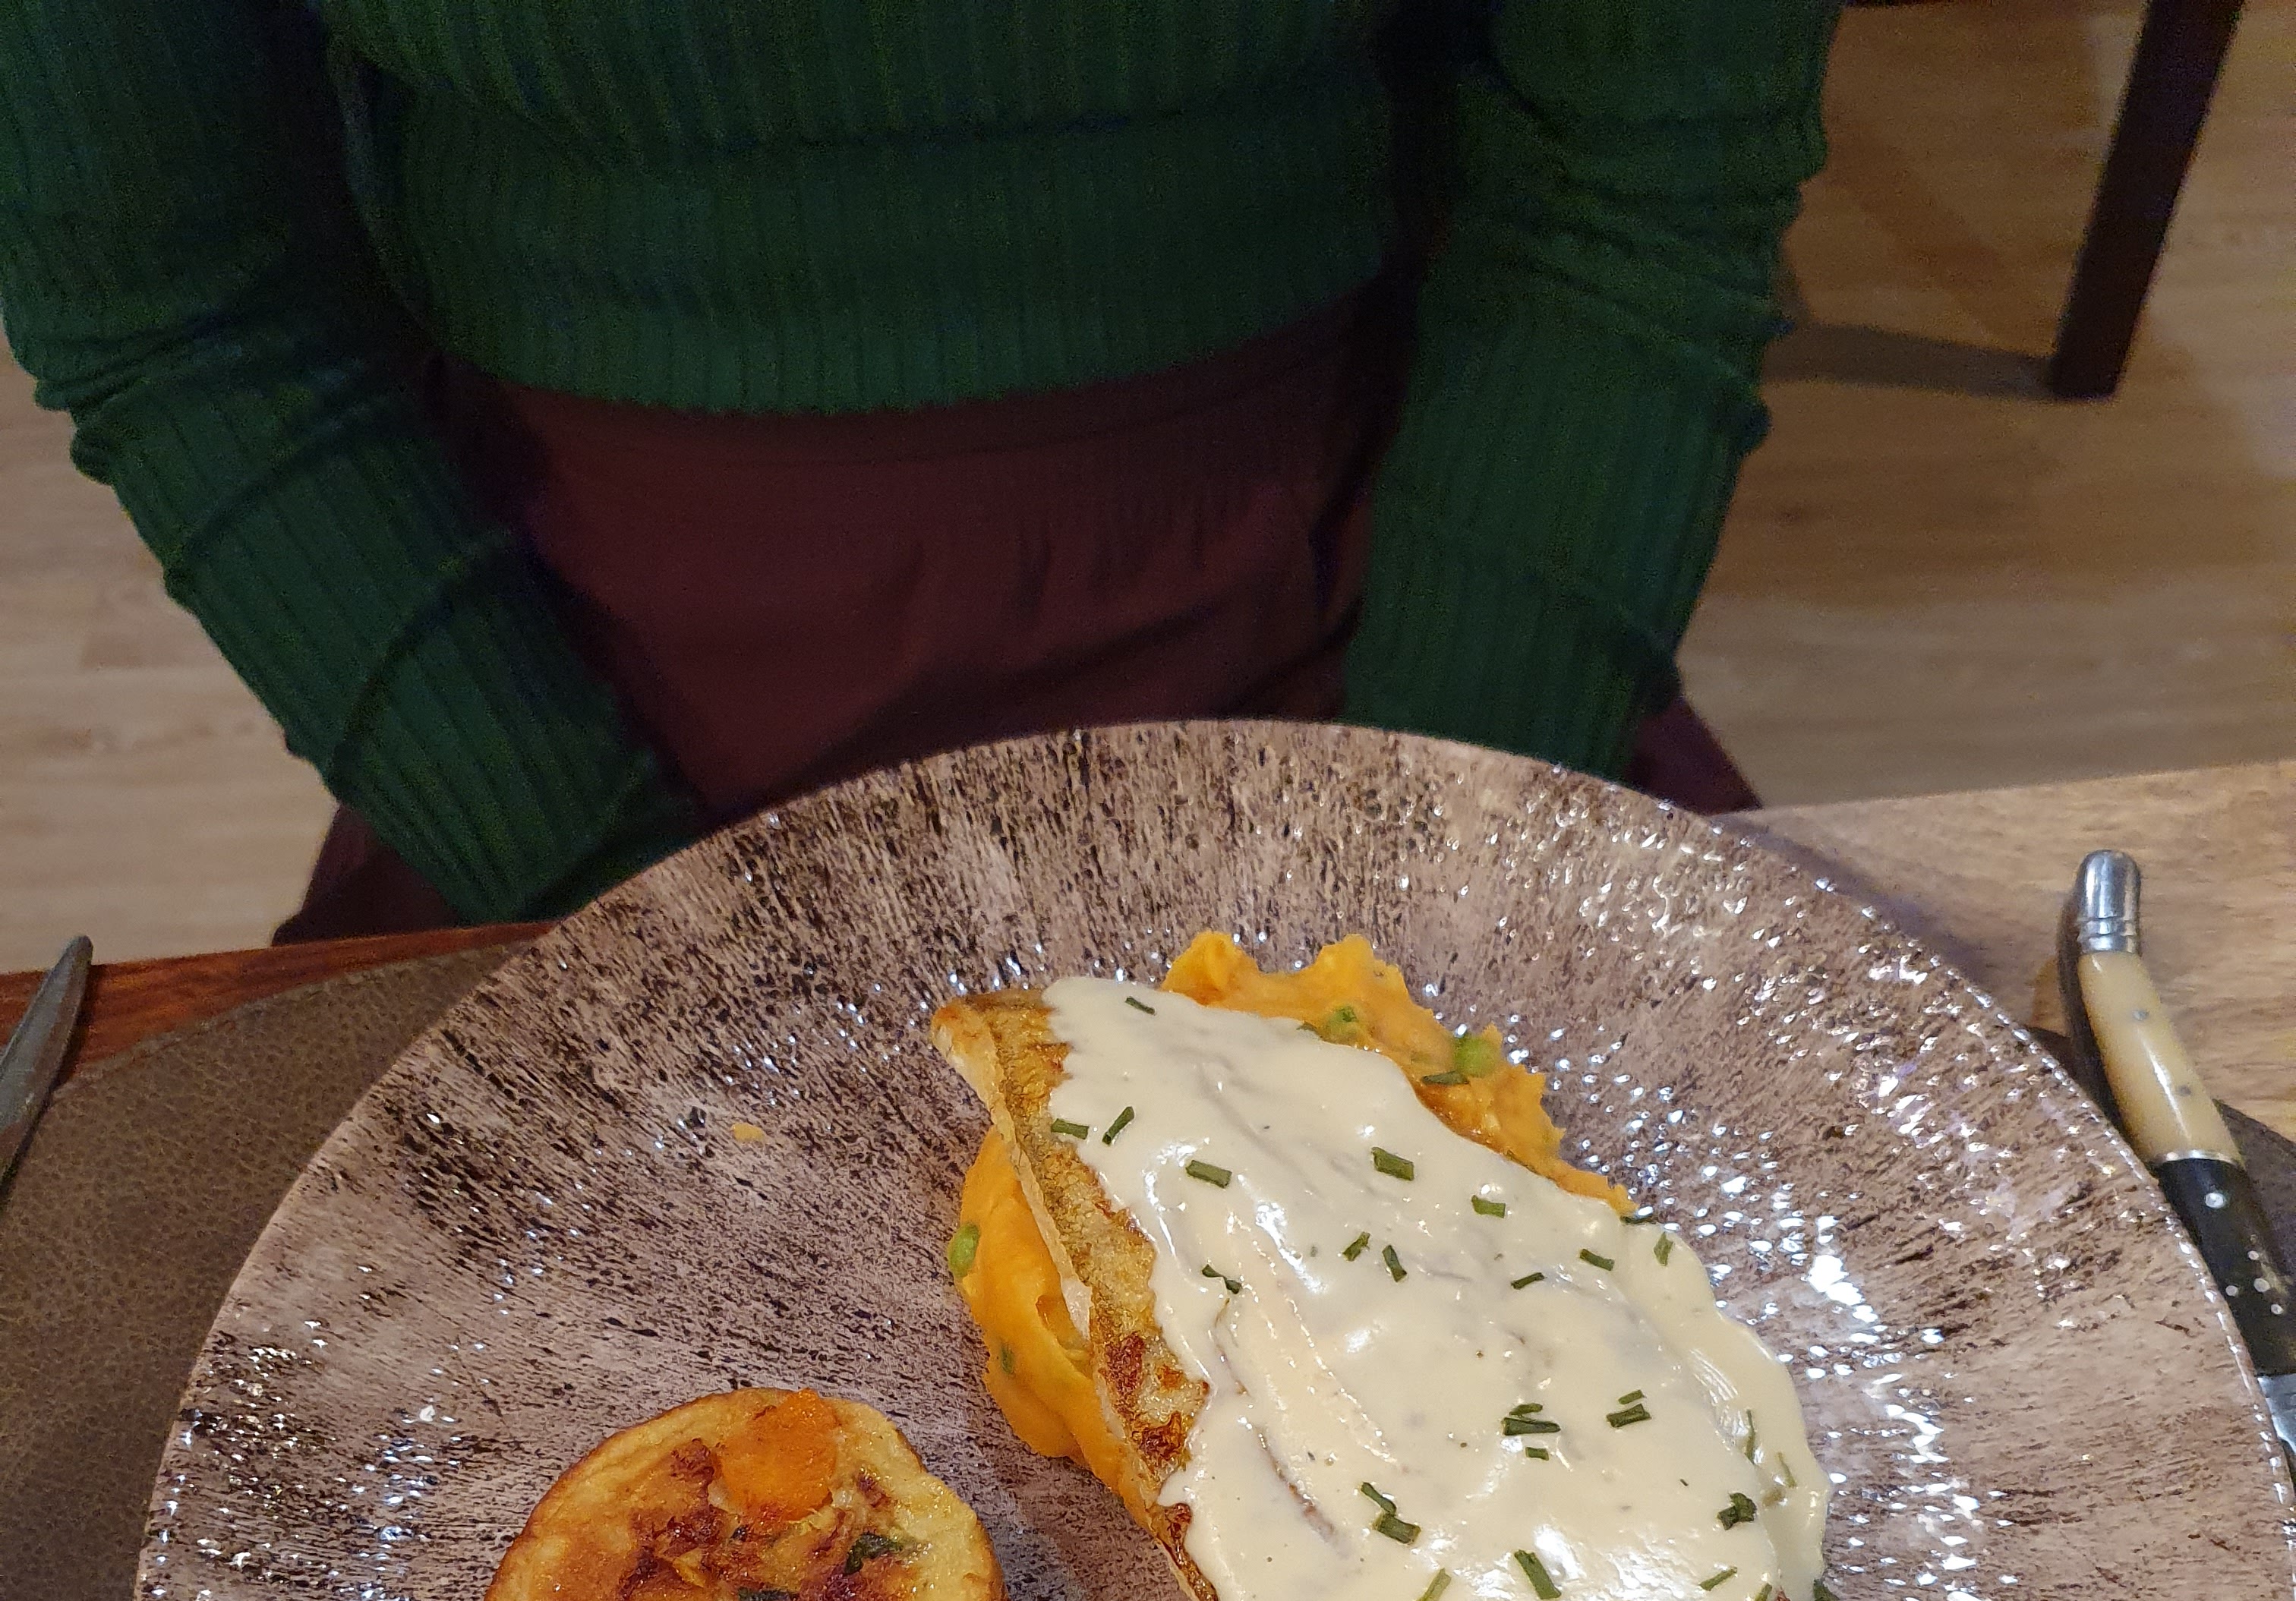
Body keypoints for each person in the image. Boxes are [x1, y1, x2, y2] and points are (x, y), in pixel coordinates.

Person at [0, 3, 1835, 941]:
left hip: (1390, 627)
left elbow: (1636, 183)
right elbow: (186, 307)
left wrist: (1423, 851)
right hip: (577, 703)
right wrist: (609, 898)